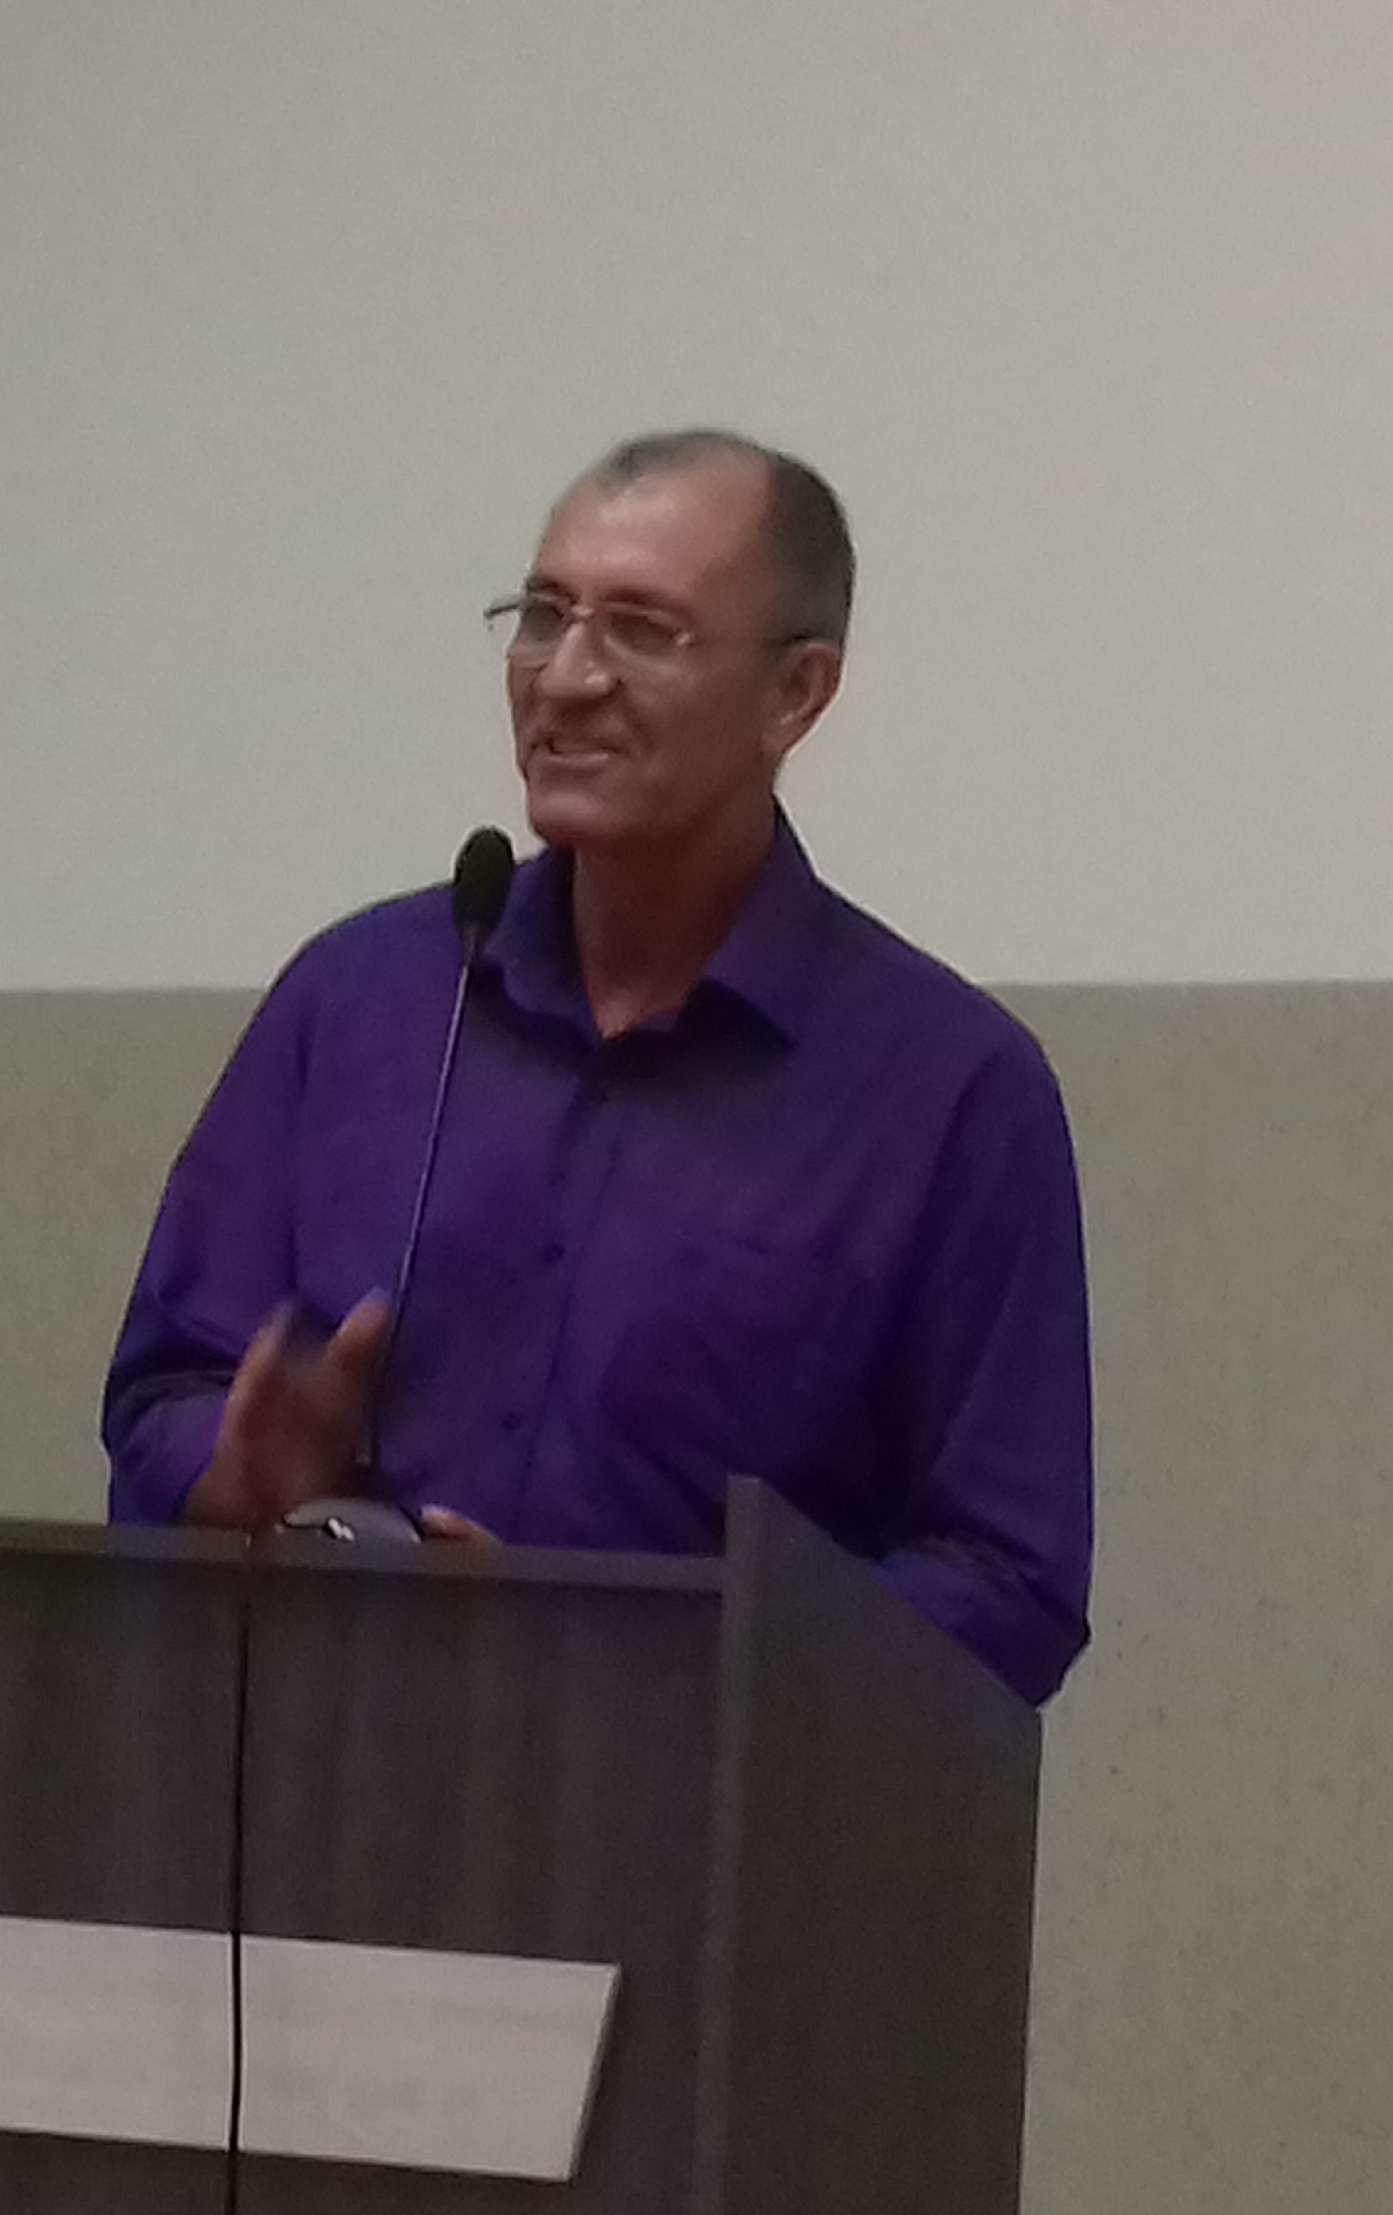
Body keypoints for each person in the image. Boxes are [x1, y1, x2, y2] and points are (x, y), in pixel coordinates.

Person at [102, 430, 1092, 1703]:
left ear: (795, 695)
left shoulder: (952, 1093)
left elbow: (1005, 1581)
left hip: (707, 1808)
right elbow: (166, 1388)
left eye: (642, 631)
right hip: (323, 1763)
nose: (566, 679)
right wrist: (241, 1479)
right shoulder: (359, 1002)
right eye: (543, 616)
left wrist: (629, 1659)